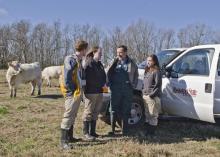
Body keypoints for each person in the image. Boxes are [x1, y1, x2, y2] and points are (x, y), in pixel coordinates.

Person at [59, 40, 88, 149]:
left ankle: (70, 137)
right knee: (68, 115)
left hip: (77, 92)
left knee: (73, 115)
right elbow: (67, 77)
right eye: (86, 49)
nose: (86, 51)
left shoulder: (79, 60)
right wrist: (71, 90)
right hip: (72, 93)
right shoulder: (70, 59)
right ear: (83, 49)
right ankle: (63, 142)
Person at [107, 45, 138, 136]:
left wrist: (134, 85)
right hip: (115, 89)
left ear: (125, 52)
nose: (118, 54)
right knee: (113, 109)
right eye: (117, 52)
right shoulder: (113, 61)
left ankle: (125, 130)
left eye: (120, 52)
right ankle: (112, 130)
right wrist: (109, 85)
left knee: (126, 109)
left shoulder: (131, 63)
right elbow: (108, 73)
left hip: (127, 89)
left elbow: (136, 75)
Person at [82, 46, 106, 140]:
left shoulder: (99, 64)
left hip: (99, 91)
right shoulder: (88, 62)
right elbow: (87, 78)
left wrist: (103, 84)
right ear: (94, 53)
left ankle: (93, 132)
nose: (101, 55)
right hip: (91, 92)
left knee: (95, 112)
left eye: (101, 53)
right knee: (88, 112)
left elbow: (103, 76)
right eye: (99, 53)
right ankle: (86, 133)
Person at [142, 54, 162, 136]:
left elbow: (158, 85)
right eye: (147, 60)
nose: (148, 62)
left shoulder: (156, 71)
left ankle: (152, 134)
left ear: (154, 61)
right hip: (145, 96)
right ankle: (147, 133)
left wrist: (151, 95)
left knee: (153, 116)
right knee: (147, 115)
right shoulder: (147, 70)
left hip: (152, 97)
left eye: (150, 60)